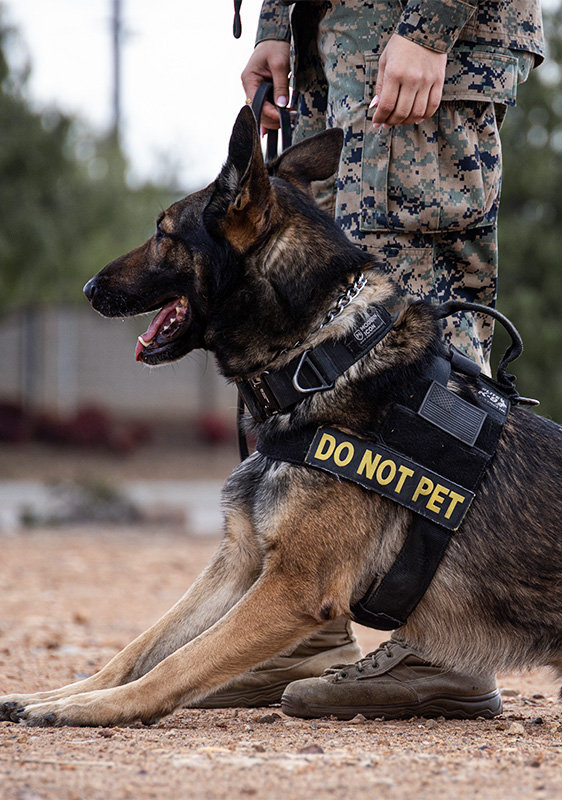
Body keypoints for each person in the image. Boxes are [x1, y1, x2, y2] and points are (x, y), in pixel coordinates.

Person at [193, 0, 544, 720]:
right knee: (302, 322)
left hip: (410, 49)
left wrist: (429, 28)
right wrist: (277, 27)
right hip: (334, 49)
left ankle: (446, 652)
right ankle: (296, 639)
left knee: (415, 329)